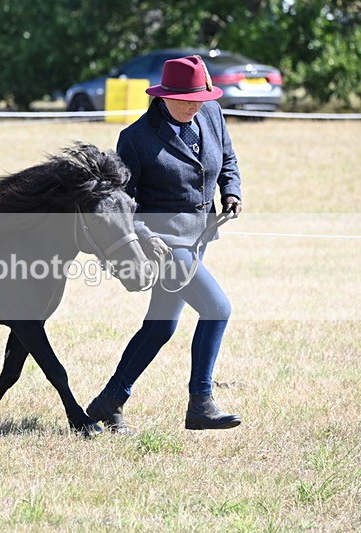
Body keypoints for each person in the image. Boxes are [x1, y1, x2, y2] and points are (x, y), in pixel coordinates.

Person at [87, 55, 243, 432]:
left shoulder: (210, 114)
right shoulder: (136, 139)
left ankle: (108, 402)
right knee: (217, 309)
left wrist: (231, 191)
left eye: (201, 97)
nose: (196, 104)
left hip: (200, 236)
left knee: (160, 327)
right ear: (164, 96)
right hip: (165, 245)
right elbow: (121, 202)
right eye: (188, 98)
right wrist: (145, 237)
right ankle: (201, 403)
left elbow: (228, 159)